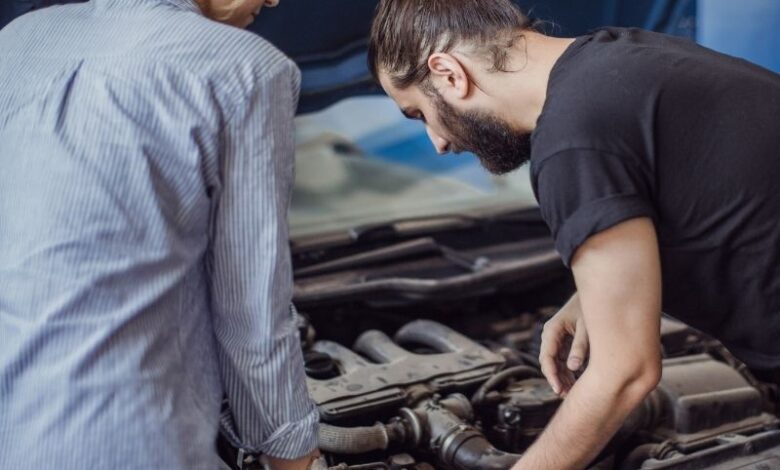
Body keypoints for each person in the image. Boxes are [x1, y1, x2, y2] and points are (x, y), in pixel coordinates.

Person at [367, 0, 780, 468]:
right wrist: (589, 295)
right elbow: (704, 189)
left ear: (447, 73)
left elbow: (626, 372)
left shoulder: (570, 141)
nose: (437, 144)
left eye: (419, 114)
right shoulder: (617, 56)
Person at [0, 1, 320, 469]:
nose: (272, 1)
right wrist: (292, 452)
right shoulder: (247, 67)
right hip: (123, 441)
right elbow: (250, 315)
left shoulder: (17, 39)